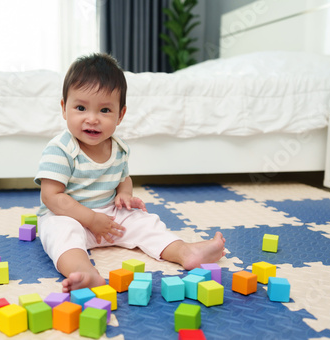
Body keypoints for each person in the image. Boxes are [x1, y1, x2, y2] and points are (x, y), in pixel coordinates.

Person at [34, 53, 226, 293]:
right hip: (69, 215)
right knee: (60, 232)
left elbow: (124, 177)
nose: (92, 119)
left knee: (144, 222)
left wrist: (124, 194)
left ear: (120, 115)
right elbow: (51, 197)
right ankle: (83, 271)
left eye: (104, 110)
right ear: (64, 108)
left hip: (109, 217)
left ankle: (185, 252)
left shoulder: (119, 148)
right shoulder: (60, 149)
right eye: (81, 108)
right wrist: (91, 220)